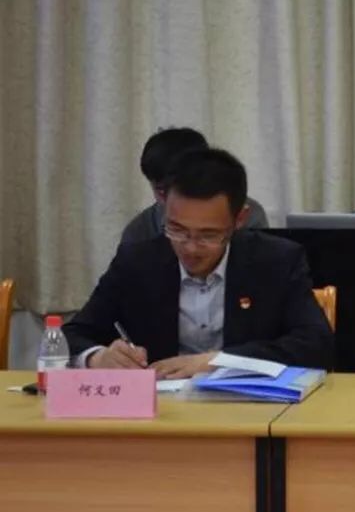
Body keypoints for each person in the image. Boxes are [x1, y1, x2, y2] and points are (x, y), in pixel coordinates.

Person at [65, 147, 334, 377]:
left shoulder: (276, 261)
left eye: (209, 235)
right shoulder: (137, 261)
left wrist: (219, 361)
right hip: (160, 411)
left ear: (239, 219)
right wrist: (97, 357)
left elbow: (316, 344)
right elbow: (71, 335)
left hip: (248, 410)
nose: (191, 248)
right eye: (177, 230)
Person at [120, 127, 269, 244]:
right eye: (162, 191)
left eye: (209, 234)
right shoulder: (139, 232)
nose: (192, 248)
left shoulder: (246, 215)